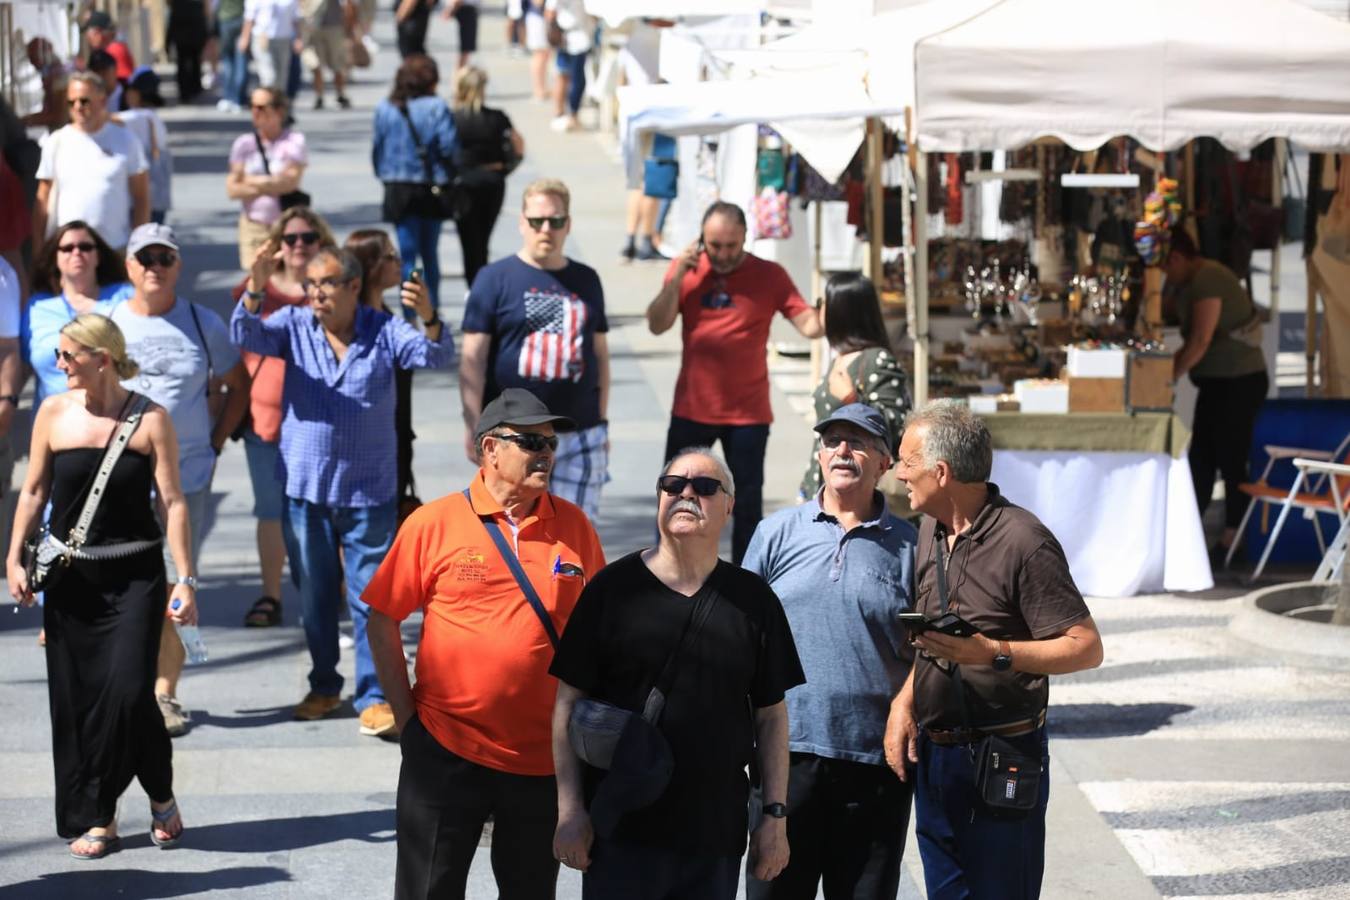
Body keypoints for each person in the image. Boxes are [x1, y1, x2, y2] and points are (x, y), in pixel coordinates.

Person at [363, 388, 606, 899]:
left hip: (542, 761)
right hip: (448, 751)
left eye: (551, 443)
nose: (546, 452)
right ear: (489, 449)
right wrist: (408, 722)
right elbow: (382, 617)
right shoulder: (434, 523)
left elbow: (601, 630)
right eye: (531, 441)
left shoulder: (575, 527)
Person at [550, 447, 803, 898]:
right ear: (659, 498)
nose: (686, 494)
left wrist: (774, 817)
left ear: (729, 506)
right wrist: (569, 810)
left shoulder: (754, 599)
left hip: (713, 837)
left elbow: (771, 716)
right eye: (673, 485)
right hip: (621, 831)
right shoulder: (612, 589)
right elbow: (567, 702)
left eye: (704, 487)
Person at [885, 400, 1104, 900]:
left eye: (907, 462)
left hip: (1002, 756)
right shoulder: (930, 531)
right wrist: (905, 702)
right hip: (937, 758)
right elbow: (935, 641)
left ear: (940, 472)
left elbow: (1086, 647)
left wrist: (993, 653)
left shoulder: (1025, 541)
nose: (899, 474)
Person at [231, 247, 452, 735]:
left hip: (368, 491)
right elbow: (244, 333)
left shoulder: (382, 329)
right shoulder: (292, 324)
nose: (316, 294)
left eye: (326, 284)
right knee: (314, 595)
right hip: (306, 490)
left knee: (370, 597)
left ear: (354, 286)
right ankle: (324, 684)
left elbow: (436, 354)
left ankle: (374, 696)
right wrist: (255, 289)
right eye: (311, 284)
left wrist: (429, 316)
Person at [6, 313, 192, 859]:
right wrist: (14, 559)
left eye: (68, 356)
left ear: (101, 358)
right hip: (72, 580)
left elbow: (174, 502)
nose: (58, 365)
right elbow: (34, 491)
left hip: (135, 575)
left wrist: (187, 578)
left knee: (131, 693)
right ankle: (101, 814)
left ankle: (158, 792)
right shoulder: (52, 413)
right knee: (80, 699)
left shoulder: (151, 419)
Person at [742, 403, 917, 900]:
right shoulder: (776, 534)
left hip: (874, 761)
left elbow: (930, 650)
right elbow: (740, 635)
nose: (843, 451)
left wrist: (906, 709)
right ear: (818, 455)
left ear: (885, 463)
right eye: (832, 440)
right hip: (784, 757)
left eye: (858, 442)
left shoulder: (911, 548)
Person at [111, 223, 249, 737]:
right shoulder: (107, 322)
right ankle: (126, 685)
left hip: (187, 477)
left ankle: (164, 692)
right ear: (128, 266)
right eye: (143, 257)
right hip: (118, 480)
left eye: (163, 258)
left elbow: (238, 383)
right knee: (122, 585)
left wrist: (215, 441)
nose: (153, 266)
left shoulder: (202, 321)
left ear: (177, 266)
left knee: (177, 581)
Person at [646, 200, 823, 563]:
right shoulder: (688, 270)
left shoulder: (769, 274)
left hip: (748, 413)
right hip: (693, 407)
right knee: (675, 498)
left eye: (732, 245)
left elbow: (809, 325)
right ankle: (667, 570)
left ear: (745, 237)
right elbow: (657, 323)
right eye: (715, 245)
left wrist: (841, 306)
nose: (723, 254)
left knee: (745, 507)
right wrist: (678, 276)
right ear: (701, 239)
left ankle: (744, 582)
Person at [460, 178, 611, 517]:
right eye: (537, 220)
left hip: (580, 436)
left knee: (575, 542)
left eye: (556, 221)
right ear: (521, 222)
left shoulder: (587, 280)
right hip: (515, 437)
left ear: (568, 224)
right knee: (515, 534)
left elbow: (600, 355)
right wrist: (473, 423)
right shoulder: (494, 278)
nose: (547, 229)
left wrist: (601, 423)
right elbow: (473, 359)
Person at [232, 207, 337, 628]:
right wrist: (257, 284)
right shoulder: (253, 289)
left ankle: (327, 588)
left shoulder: (330, 290)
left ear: (321, 244)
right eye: (290, 239)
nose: (298, 246)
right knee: (270, 511)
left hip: (319, 423)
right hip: (266, 421)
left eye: (307, 238)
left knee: (323, 508)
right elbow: (237, 339)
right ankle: (271, 595)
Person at [1162, 229, 1270, 555]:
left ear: (1178, 257)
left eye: (1167, 267)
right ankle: (1191, 533)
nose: (1167, 275)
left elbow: (1200, 339)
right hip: (1219, 383)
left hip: (1237, 382)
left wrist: (1168, 378)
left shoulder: (1208, 278)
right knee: (1203, 458)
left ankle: (1232, 539)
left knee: (1230, 459)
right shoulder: (1193, 282)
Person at [800, 272, 909, 500]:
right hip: (825, 485)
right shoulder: (839, 358)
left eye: (823, 303)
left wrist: (853, 399)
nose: (819, 309)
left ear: (841, 310)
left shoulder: (876, 360)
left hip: (859, 491)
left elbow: (896, 425)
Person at [373, 54, 457, 317]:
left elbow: (378, 148)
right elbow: (449, 145)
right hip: (428, 185)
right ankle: (432, 312)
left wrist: (385, 173)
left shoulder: (386, 108)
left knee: (407, 255)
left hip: (398, 186)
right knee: (430, 253)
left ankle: (409, 317)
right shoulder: (436, 107)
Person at [33, 72, 150, 253]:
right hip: (69, 251)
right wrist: (38, 248)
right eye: (72, 102)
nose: (78, 107)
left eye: (84, 101)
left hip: (115, 249)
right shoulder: (56, 142)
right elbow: (43, 198)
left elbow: (141, 198)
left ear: (102, 101)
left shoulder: (126, 140)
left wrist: (138, 246)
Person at [22, 222, 133, 408]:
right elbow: (20, 365)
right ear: (55, 258)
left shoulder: (126, 297)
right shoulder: (36, 307)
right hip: (53, 424)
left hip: (115, 420)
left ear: (98, 256)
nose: (77, 252)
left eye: (85, 247)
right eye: (67, 248)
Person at [345, 228, 417, 512]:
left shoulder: (388, 318)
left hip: (397, 442)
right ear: (370, 266)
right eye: (390, 256)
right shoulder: (351, 327)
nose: (399, 262)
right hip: (365, 451)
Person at [450, 65, 524, 287]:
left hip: (463, 184)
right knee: (483, 238)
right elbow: (518, 146)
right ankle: (480, 284)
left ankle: (473, 285)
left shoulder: (452, 119)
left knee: (468, 240)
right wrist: (505, 168)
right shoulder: (497, 118)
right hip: (492, 182)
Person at [227, 87, 308, 269]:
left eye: (262, 107)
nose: (255, 112)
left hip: (286, 226)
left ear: (279, 111)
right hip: (253, 226)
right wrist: (272, 183)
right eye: (252, 106)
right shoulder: (243, 144)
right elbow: (233, 189)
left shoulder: (294, 141)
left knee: (287, 281)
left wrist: (251, 180)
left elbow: (290, 183)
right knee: (255, 281)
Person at [116, 68, 173, 225]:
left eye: (130, 90)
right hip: (158, 199)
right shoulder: (153, 117)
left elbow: (105, 119)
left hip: (144, 200)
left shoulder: (141, 117)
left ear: (138, 93)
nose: (126, 94)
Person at [545, 0, 594, 133]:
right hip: (569, 37)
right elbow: (549, 12)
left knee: (568, 77)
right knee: (570, 78)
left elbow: (549, 12)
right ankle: (565, 113)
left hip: (575, 36)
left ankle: (565, 113)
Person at [238, 0, 302, 90]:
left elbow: (295, 17)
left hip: (284, 38)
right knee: (269, 77)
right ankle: (268, 102)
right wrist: (245, 37)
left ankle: (277, 102)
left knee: (281, 77)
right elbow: (249, 17)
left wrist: (298, 38)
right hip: (263, 38)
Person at [301, 0, 352, 110]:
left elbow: (347, 5)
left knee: (337, 64)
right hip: (314, 28)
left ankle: (339, 94)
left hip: (333, 26)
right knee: (316, 64)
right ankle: (319, 95)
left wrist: (348, 27)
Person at [167, 0, 210, 104]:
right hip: (193, 39)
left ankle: (185, 92)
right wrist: (205, 38)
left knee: (183, 65)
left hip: (182, 40)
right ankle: (194, 89)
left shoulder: (177, 4)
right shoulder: (196, 4)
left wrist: (167, 42)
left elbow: (172, 23)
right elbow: (202, 22)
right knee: (194, 63)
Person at [215, 0, 252, 113]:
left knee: (228, 62)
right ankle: (237, 98)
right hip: (241, 20)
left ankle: (229, 97)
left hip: (226, 20)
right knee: (240, 61)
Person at [83, 11, 136, 81]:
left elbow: (125, 83)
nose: (87, 37)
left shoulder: (114, 50)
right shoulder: (107, 50)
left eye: (89, 33)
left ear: (98, 32)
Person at [440, 0, 481, 69]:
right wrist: (451, 8)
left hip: (462, 8)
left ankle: (459, 74)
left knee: (465, 49)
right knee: (464, 49)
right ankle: (458, 75)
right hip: (463, 8)